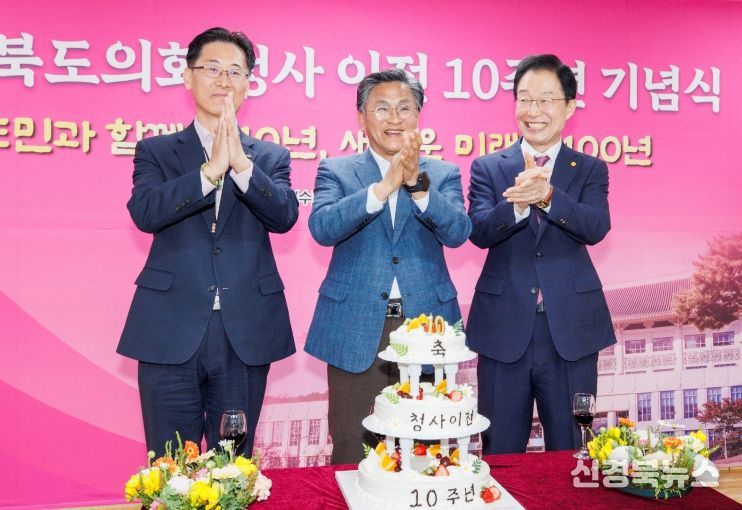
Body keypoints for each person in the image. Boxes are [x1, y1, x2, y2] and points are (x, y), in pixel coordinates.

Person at [117, 27, 298, 457]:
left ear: (248, 85)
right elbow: (145, 212)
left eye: (235, 71)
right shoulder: (156, 151)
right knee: (169, 463)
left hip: (244, 331)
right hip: (169, 328)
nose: (224, 80)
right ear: (188, 77)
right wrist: (209, 172)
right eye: (212, 68)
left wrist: (241, 167)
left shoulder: (269, 157)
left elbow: (284, 217)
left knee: (232, 463)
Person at [304, 68, 471, 464]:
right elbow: (322, 228)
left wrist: (417, 185)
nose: (394, 118)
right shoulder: (336, 170)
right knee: (352, 445)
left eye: (404, 108)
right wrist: (382, 189)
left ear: (418, 116)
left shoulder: (443, 174)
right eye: (382, 108)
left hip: (426, 325)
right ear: (361, 118)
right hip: (356, 325)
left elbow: (458, 232)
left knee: (428, 446)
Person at [467, 54, 616, 454]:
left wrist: (549, 197)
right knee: (500, 452)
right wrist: (517, 205)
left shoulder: (590, 168)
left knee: (573, 448)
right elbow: (478, 231)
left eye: (546, 100)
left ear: (569, 107)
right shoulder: (488, 167)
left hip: (571, 332)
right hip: (502, 330)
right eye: (525, 99)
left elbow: (595, 226)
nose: (534, 111)